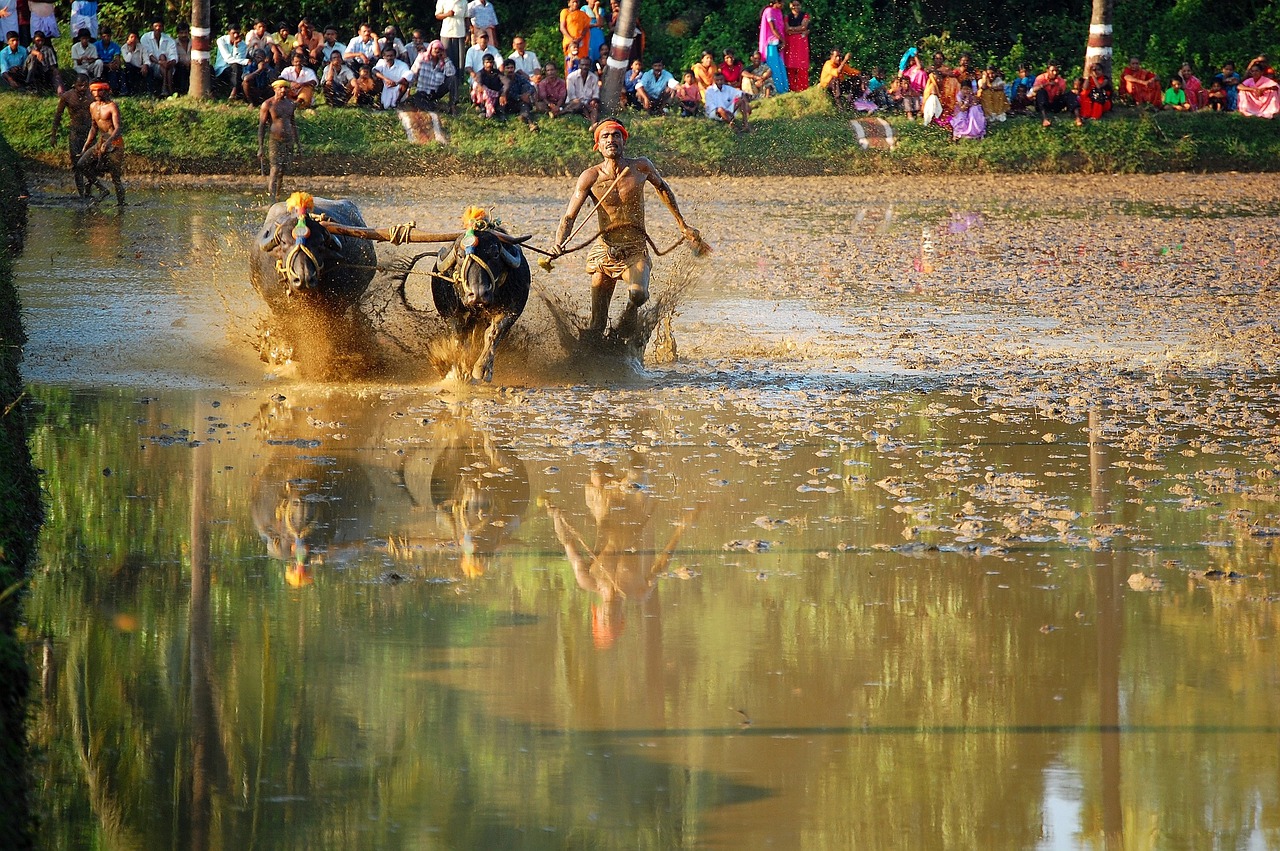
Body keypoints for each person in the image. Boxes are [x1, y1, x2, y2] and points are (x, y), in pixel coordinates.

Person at [554, 120, 702, 336]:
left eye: (616, 135)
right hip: (605, 251)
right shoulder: (590, 177)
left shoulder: (641, 167)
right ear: (598, 145)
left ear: (624, 140)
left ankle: (627, 323)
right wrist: (559, 243)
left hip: (635, 250)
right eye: (605, 137)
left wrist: (682, 225)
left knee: (639, 295)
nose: (611, 139)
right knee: (597, 325)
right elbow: (569, 217)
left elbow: (663, 189)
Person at [80, 81, 124, 206]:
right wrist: (86, 145)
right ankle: (103, 189)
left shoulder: (112, 107)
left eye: (100, 90)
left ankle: (121, 205)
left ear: (106, 91)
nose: (97, 93)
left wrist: (109, 142)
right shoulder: (93, 106)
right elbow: (93, 128)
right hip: (101, 141)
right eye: (94, 91)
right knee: (81, 164)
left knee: (115, 177)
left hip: (115, 143)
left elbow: (118, 128)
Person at [51, 73, 93, 197]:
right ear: (74, 85)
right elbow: (58, 115)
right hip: (75, 133)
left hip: (90, 133)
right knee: (77, 164)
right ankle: (81, 194)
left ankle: (89, 188)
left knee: (91, 163)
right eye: (80, 85)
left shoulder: (92, 96)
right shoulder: (67, 96)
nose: (83, 88)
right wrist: (53, 134)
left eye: (85, 85)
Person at [257, 79, 299, 202]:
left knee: (283, 170)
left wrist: (298, 144)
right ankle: (271, 200)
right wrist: (260, 147)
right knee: (275, 169)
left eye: (285, 88)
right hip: (275, 140)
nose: (283, 90)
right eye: (280, 88)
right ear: (275, 89)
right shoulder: (268, 104)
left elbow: (293, 124)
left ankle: (277, 195)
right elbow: (262, 126)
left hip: (288, 140)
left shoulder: (290, 104)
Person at [1030, 62, 1080, 127]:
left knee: (1071, 94)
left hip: (1054, 104)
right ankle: (1045, 119)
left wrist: (1058, 91)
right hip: (1042, 103)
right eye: (1052, 71)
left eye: (1056, 71)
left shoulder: (1061, 81)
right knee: (1041, 92)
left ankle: (1077, 118)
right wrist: (1047, 84)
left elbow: (1060, 96)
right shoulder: (1041, 78)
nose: (1055, 73)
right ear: (1047, 70)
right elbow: (1034, 89)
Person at [409, 39, 455, 108]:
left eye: (440, 49)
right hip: (422, 92)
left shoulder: (442, 63)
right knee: (418, 102)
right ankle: (434, 106)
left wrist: (446, 58)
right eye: (435, 48)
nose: (437, 51)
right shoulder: (422, 58)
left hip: (435, 92)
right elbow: (413, 73)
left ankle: (452, 104)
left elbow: (451, 73)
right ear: (430, 49)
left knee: (452, 79)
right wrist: (408, 89)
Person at [435, 0, 468, 87]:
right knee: (447, 58)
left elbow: (466, 17)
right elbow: (437, 15)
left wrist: (468, 32)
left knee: (460, 60)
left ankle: (459, 83)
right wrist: (447, 14)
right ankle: (447, 82)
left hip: (460, 34)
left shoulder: (464, 1)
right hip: (447, 33)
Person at [497, 57, 537, 128]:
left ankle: (529, 122)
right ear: (504, 69)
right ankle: (503, 121)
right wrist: (520, 97)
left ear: (515, 68)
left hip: (518, 102)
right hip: (506, 103)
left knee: (525, 89)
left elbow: (531, 87)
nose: (510, 70)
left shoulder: (518, 77)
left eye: (511, 68)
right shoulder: (501, 78)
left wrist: (527, 94)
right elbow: (507, 93)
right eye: (508, 68)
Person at [758, 0, 789, 94]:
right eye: (782, 2)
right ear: (776, 2)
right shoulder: (769, 11)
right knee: (774, 67)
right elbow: (773, 29)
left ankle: (784, 89)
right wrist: (783, 41)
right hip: (770, 43)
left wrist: (782, 41)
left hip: (778, 43)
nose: (783, 4)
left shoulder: (779, 12)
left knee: (780, 66)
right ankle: (777, 90)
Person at [141, 19, 177, 96]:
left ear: (163, 27)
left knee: (163, 58)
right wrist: (160, 62)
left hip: (167, 65)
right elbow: (148, 55)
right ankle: (169, 90)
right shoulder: (145, 38)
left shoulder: (169, 39)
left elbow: (173, 55)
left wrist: (169, 62)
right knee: (162, 60)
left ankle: (165, 89)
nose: (158, 28)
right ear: (152, 27)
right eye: (156, 26)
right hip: (152, 65)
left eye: (160, 26)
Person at [214, 25, 249, 100]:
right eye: (233, 33)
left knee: (236, 66)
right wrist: (245, 61)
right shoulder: (221, 41)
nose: (236, 35)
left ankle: (234, 92)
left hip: (235, 70)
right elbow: (228, 59)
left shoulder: (242, 44)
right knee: (236, 65)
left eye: (238, 33)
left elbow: (239, 59)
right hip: (222, 69)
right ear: (228, 32)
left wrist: (236, 46)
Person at [783, 0, 810, 90]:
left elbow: (804, 27)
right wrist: (800, 31)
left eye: (798, 5)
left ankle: (802, 88)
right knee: (790, 65)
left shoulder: (805, 15)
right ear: (790, 5)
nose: (796, 7)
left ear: (801, 5)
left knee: (801, 65)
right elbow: (786, 30)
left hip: (801, 43)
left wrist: (792, 30)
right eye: (793, 5)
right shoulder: (787, 16)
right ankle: (792, 88)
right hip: (790, 43)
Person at [563, 58, 600, 122]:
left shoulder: (594, 78)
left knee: (594, 108)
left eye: (587, 65)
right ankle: (562, 112)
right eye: (582, 65)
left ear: (590, 66)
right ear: (579, 65)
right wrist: (581, 103)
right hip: (573, 103)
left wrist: (594, 100)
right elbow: (571, 96)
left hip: (587, 103)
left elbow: (595, 94)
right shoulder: (571, 77)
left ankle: (593, 124)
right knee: (579, 104)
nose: (584, 67)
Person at [559, 0, 590, 75]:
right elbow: (562, 28)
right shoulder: (565, 12)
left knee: (582, 63)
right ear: (569, 3)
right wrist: (571, 39)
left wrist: (580, 38)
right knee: (570, 64)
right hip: (570, 43)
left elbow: (586, 27)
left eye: (577, 2)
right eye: (573, 2)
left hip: (580, 43)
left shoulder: (583, 14)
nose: (575, 4)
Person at [94, 27, 123, 93]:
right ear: (101, 37)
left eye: (108, 36)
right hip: (100, 65)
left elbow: (117, 57)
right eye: (104, 36)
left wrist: (116, 65)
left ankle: (115, 89)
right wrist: (107, 65)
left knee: (117, 71)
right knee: (99, 64)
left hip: (110, 65)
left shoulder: (115, 46)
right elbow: (95, 58)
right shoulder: (96, 45)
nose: (106, 38)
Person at [120, 30, 147, 96]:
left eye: (135, 37)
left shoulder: (142, 47)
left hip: (139, 68)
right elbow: (127, 60)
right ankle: (127, 91)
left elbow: (146, 58)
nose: (133, 39)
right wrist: (131, 50)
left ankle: (149, 92)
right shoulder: (124, 48)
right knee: (127, 67)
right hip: (130, 67)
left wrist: (145, 65)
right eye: (131, 37)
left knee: (149, 70)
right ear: (128, 38)